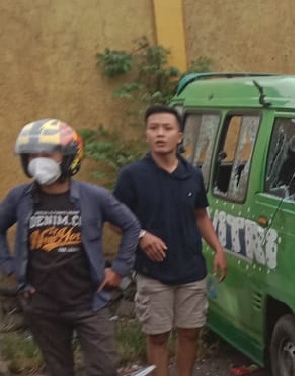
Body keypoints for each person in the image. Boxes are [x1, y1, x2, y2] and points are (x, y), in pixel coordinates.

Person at [0, 119, 141, 376]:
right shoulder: (18, 197)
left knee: (104, 367)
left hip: (88, 303)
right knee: (59, 369)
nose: (38, 160)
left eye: (47, 153)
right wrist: (8, 266)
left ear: (68, 157)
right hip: (41, 305)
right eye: (33, 154)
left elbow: (131, 225)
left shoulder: (93, 196)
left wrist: (120, 268)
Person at [113, 105, 227, 376]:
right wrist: (141, 236)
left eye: (167, 128)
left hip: (191, 270)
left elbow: (201, 215)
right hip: (153, 273)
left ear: (179, 136)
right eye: (154, 129)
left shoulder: (193, 175)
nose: (160, 134)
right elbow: (116, 221)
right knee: (158, 336)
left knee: (190, 333)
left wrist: (218, 248)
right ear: (147, 135)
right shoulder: (132, 176)